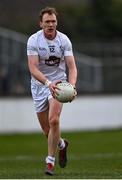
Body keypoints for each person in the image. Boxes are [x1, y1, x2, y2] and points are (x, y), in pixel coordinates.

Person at [27, 6, 77, 175]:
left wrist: (71, 86)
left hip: (59, 84)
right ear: (41, 23)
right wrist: (47, 83)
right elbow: (33, 68)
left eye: (53, 21)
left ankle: (50, 162)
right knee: (47, 131)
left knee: (54, 120)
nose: (50, 24)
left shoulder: (64, 40)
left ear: (57, 22)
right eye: (47, 21)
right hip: (39, 85)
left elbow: (72, 67)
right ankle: (62, 145)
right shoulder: (33, 40)